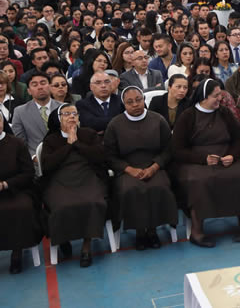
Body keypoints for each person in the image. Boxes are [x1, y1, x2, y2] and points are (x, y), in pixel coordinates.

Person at [171, 79, 240, 247]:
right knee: (198, 181)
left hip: (225, 156)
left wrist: (232, 155)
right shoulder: (188, 116)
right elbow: (177, 149)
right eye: (216, 96)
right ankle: (197, 231)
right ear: (204, 97)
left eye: (220, 96)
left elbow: (239, 140)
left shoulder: (224, 113)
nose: (220, 100)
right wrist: (203, 159)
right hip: (195, 159)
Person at [104, 87, 177, 251]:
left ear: (144, 99)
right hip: (127, 169)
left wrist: (155, 166)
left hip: (155, 166)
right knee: (131, 189)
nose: (135, 104)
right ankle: (139, 232)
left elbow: (169, 149)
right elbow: (109, 156)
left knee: (158, 187)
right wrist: (128, 169)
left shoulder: (158, 120)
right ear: (124, 104)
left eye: (138, 100)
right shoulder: (115, 124)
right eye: (130, 102)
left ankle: (152, 230)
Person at [40, 104, 108, 268]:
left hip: (87, 176)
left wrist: (77, 143)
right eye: (66, 114)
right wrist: (68, 145)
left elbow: (100, 157)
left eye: (74, 114)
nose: (71, 117)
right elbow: (48, 165)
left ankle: (86, 246)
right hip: (60, 180)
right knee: (62, 206)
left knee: (93, 202)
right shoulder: (51, 140)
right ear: (59, 119)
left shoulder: (89, 134)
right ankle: (64, 239)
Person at [0, 111, 42, 274]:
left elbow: (27, 173)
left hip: (15, 190)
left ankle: (17, 251)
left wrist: (5, 184)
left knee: (21, 208)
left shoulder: (17, 144)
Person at [12, 72, 62, 156]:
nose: (40, 87)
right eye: (35, 85)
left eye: (43, 83)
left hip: (63, 155)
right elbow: (20, 141)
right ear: (29, 91)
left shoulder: (63, 108)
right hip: (35, 159)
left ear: (50, 86)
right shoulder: (20, 112)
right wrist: (33, 157)